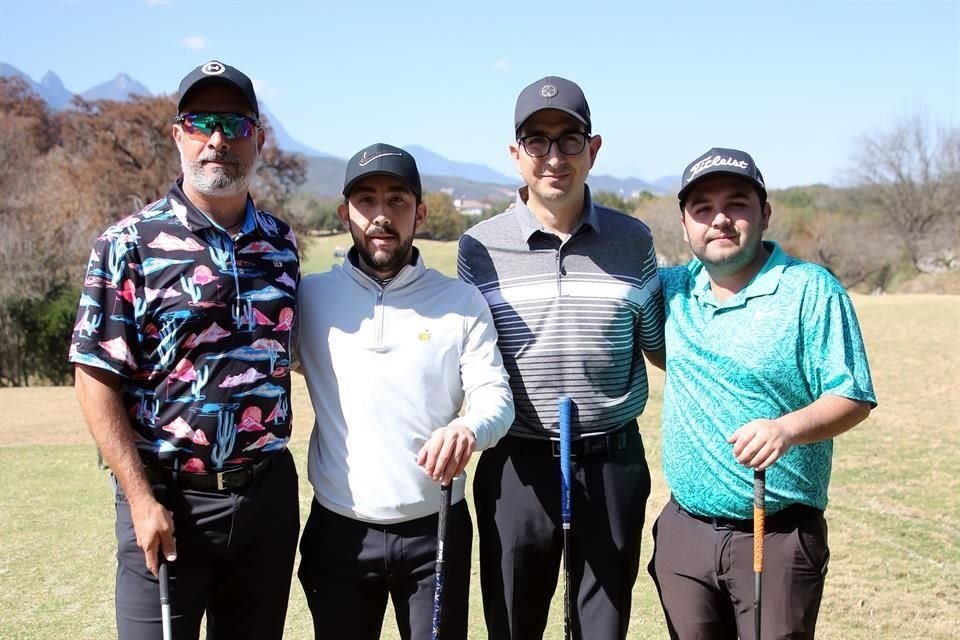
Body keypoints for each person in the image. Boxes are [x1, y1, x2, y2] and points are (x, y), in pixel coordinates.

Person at [69, 60, 300, 640]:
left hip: (265, 499)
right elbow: (95, 376)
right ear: (178, 135)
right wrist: (141, 499)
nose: (218, 139)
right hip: (168, 504)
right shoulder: (128, 245)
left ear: (259, 139)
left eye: (236, 124)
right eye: (201, 123)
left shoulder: (281, 244)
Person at [457, 76, 666, 640]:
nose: (554, 157)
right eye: (537, 141)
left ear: (593, 149)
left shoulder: (633, 240)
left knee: (601, 626)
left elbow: (660, 345)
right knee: (513, 623)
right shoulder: (478, 248)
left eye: (569, 139)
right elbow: (466, 362)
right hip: (516, 466)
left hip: (612, 462)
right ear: (515, 154)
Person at [648, 147, 877, 640]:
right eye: (703, 209)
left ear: (764, 213)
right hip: (685, 534)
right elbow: (653, 346)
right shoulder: (669, 290)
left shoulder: (810, 290)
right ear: (685, 224)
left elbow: (853, 395)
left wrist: (787, 429)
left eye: (737, 204)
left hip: (776, 535)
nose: (720, 220)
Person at [294, 143, 514, 640]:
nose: (380, 215)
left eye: (396, 200)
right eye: (366, 200)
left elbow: (494, 397)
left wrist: (467, 428)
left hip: (435, 528)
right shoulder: (310, 297)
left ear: (421, 212)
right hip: (339, 530)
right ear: (344, 213)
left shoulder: (461, 301)